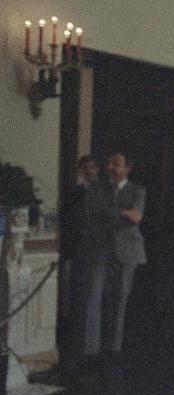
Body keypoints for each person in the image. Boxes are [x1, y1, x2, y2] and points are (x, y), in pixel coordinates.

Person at [82, 150, 146, 358]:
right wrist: (122, 212)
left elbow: (136, 217)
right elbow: (92, 214)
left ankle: (113, 349)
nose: (111, 167)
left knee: (119, 300)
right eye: (109, 162)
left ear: (127, 168)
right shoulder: (97, 188)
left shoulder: (137, 190)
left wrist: (114, 212)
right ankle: (90, 351)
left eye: (116, 163)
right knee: (93, 297)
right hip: (100, 249)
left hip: (127, 252)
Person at [56, 155, 100, 374]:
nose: (89, 171)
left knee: (92, 302)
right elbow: (68, 221)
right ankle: (74, 350)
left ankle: (91, 351)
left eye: (92, 167)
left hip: (98, 255)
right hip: (77, 252)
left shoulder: (104, 193)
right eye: (85, 168)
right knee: (76, 302)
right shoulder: (74, 193)